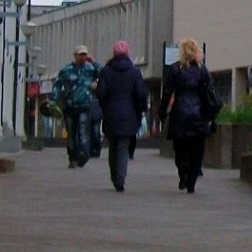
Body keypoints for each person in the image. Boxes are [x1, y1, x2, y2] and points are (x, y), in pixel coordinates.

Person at [159, 38, 215, 193]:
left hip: (180, 112)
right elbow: (210, 91)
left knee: (180, 146)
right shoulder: (202, 70)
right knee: (197, 148)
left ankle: (183, 172)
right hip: (199, 113)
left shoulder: (175, 69)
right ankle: (191, 180)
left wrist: (163, 112)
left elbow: (168, 92)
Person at [96, 40, 147, 193]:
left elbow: (101, 93)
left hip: (111, 113)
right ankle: (120, 178)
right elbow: (140, 94)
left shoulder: (106, 71)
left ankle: (114, 177)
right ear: (127, 53)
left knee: (113, 146)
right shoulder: (134, 72)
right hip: (129, 114)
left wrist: (106, 107)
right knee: (123, 146)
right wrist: (139, 110)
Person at [51, 46, 99, 167]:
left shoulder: (90, 68)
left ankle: (83, 154)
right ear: (75, 55)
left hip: (85, 104)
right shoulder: (67, 69)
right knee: (71, 133)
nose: (83, 57)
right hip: (70, 105)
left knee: (83, 132)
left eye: (85, 54)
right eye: (80, 54)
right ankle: (73, 157)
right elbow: (57, 84)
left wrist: (93, 61)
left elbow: (104, 72)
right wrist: (53, 99)